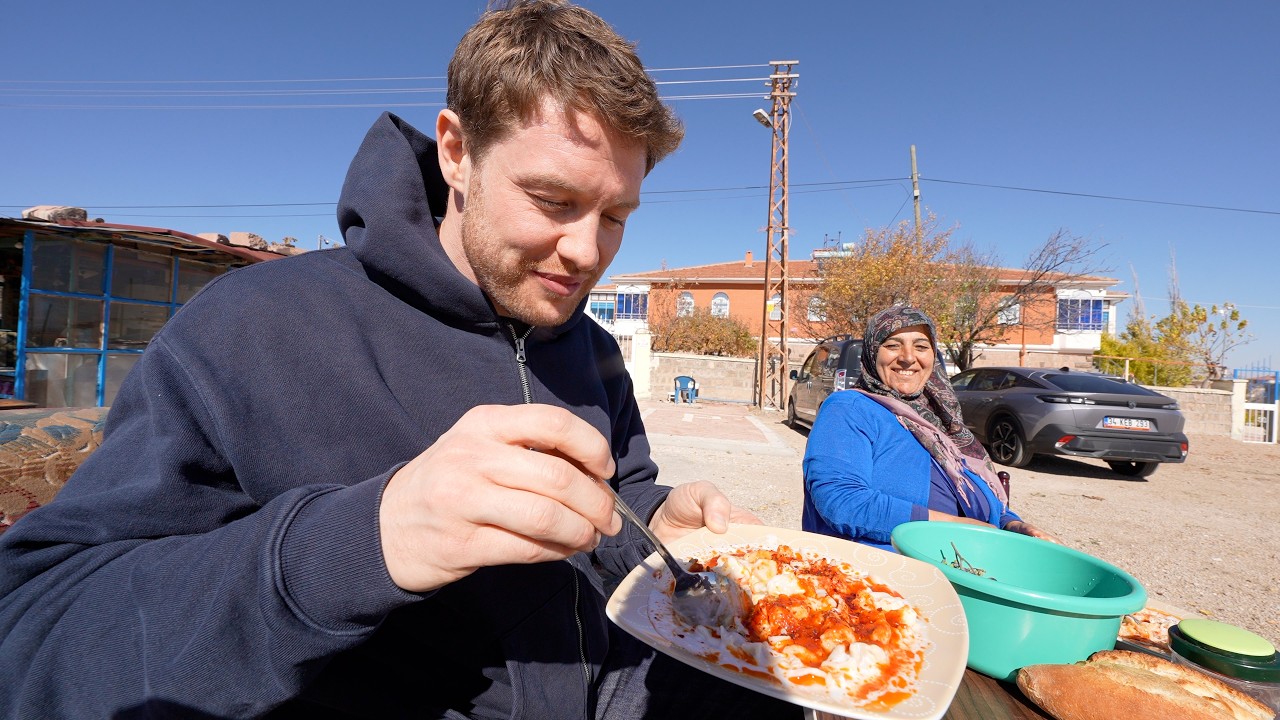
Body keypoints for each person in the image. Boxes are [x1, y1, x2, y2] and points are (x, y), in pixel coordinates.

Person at [0, 2, 802, 718]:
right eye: (554, 202)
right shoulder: (252, 328)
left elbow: (614, 499)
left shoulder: (588, 348)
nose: (586, 251)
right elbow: (35, 636)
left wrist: (654, 518)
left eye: (616, 216)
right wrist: (369, 537)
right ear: (457, 151)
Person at [802, 305, 1058, 552]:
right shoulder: (850, 408)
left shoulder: (942, 423)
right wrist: (953, 527)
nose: (908, 358)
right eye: (892, 345)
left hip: (966, 567)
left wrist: (1011, 524)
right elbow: (842, 502)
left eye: (921, 346)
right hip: (882, 579)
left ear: (933, 356)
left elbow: (970, 496)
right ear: (871, 353)